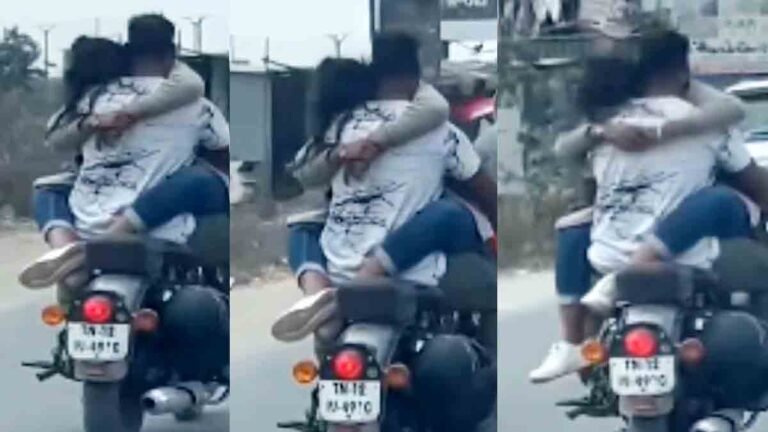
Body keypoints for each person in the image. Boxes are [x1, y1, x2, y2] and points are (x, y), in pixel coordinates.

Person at [530, 29, 768, 383]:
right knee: (724, 205)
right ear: (682, 69)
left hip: (607, 253)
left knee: (572, 224)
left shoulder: (608, 126)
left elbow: (572, 160)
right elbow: (755, 184)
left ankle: (573, 341)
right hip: (684, 258)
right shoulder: (708, 123)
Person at [272, 34, 496, 344]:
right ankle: (363, 280)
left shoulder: (340, 124)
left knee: (301, 225)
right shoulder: (441, 129)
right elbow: (483, 188)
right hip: (408, 272)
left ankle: (318, 290)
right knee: (453, 216)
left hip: (338, 264)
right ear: (417, 77)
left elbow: (301, 172)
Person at [19, 15, 229, 295]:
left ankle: (67, 247)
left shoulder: (93, 97)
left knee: (48, 187)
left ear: (129, 51)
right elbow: (223, 151)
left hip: (87, 219)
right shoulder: (196, 105)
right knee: (203, 179)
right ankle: (102, 243)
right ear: (171, 54)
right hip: (156, 231)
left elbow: (55, 136)